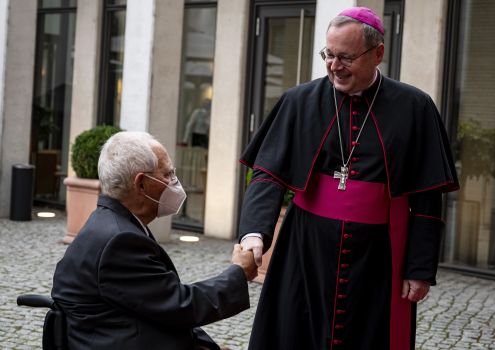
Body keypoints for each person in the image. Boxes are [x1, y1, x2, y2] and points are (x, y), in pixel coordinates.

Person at [238, 7, 459, 350]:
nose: (333, 65)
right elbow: (268, 173)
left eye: (345, 57)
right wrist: (255, 232)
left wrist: (418, 267)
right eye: (328, 54)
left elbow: (427, 196)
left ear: (378, 53)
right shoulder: (299, 101)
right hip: (304, 248)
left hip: (378, 257)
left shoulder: (415, 107)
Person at [52, 131, 257, 350]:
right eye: (168, 174)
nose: (174, 182)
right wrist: (239, 272)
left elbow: (156, 301)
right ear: (141, 184)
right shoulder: (120, 241)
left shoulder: (113, 222)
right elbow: (179, 305)